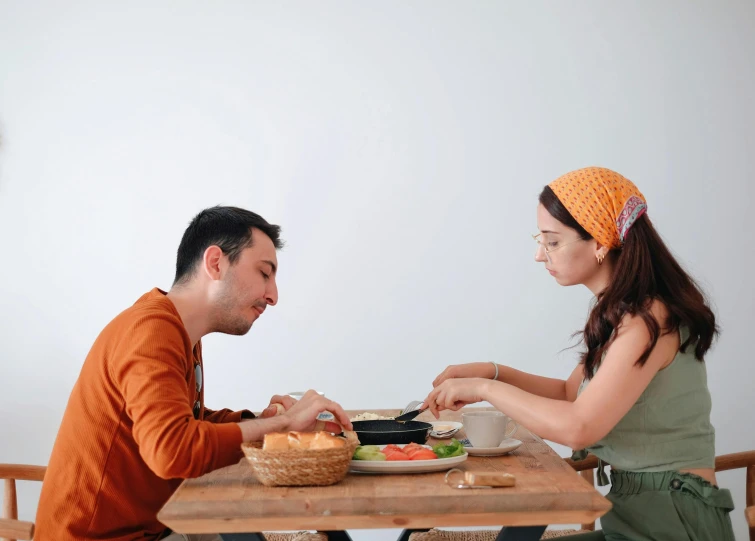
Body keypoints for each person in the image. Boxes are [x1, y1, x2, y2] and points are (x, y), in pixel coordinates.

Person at [424, 167, 735, 540]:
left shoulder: (646, 319)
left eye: (552, 242)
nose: (540, 255)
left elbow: (579, 426)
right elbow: (572, 395)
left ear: (600, 243)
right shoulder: (620, 311)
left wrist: (484, 390)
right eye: (540, 240)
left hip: (674, 522)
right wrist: (492, 371)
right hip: (640, 515)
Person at [35, 206, 352, 541]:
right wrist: (280, 427)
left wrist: (262, 420)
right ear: (215, 263)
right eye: (264, 273)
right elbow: (172, 450)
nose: (273, 295)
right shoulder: (152, 331)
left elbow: (184, 424)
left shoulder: (177, 332)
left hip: (154, 529)